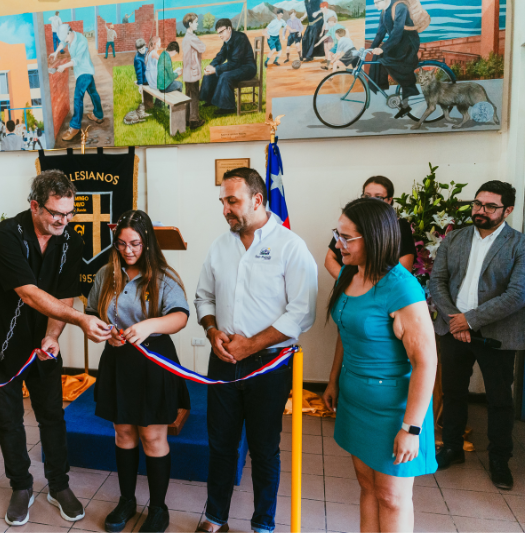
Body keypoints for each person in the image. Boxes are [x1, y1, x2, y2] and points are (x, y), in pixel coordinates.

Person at [0, 171, 112, 527]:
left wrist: (54, 335)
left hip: (42, 344)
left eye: (69, 215)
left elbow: (64, 292)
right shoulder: (6, 235)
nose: (63, 222)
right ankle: (21, 486)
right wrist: (81, 321)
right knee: (9, 420)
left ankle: (59, 485)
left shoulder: (71, 240)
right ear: (35, 205)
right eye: (56, 214)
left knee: (52, 415)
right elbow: (29, 293)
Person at [194, 167, 318, 533]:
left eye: (232, 201)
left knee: (264, 449)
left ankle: (263, 523)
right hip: (224, 361)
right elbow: (204, 297)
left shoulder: (290, 247)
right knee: (220, 445)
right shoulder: (220, 246)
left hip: (269, 366)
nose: (225, 210)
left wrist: (252, 344)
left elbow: (303, 312)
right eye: (223, 202)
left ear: (258, 200)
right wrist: (212, 330)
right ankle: (215, 517)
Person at [321, 198, 438, 532]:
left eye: (347, 238)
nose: (338, 244)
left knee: (392, 497)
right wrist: (332, 381)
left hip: (394, 411)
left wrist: (411, 428)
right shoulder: (348, 274)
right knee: (368, 487)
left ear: (374, 238)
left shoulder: (401, 288)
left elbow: (425, 362)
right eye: (337, 234)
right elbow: (347, 331)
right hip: (356, 400)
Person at [86, 210, 190, 533]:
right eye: (121, 244)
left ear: (147, 243)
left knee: (152, 434)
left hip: (154, 362)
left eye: (135, 244)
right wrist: (103, 332)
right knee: (124, 433)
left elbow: (180, 317)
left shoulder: (163, 277)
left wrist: (148, 326)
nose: (128, 250)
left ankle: (158, 508)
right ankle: (127, 500)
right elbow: (90, 314)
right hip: (118, 361)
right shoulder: (106, 275)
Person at [430, 180, 525, 491]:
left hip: (496, 335)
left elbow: (517, 295)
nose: (480, 211)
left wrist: (468, 321)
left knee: (500, 401)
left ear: (507, 210)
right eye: (477, 204)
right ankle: (452, 448)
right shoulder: (454, 238)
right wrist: (454, 320)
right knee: (454, 392)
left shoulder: (519, 245)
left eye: (490, 206)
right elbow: (437, 283)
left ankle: (500, 459)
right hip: (452, 331)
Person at [324, 176, 415, 279]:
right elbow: (329, 258)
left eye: (378, 197)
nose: (372, 201)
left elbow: (404, 270)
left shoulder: (400, 226)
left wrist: (370, 290)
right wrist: (349, 283)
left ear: (389, 200)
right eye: (367, 196)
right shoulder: (353, 220)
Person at [51, 24, 104, 142]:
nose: (64, 41)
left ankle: (74, 127)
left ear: (69, 33)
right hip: (85, 72)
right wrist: (56, 52)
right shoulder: (69, 36)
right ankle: (99, 116)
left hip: (84, 73)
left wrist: (63, 66)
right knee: (93, 93)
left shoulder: (82, 41)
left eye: (65, 38)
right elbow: (63, 43)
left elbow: (76, 61)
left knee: (77, 98)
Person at [370, 0, 420, 118]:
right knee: (378, 57)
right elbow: (380, 32)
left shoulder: (400, 7)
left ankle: (407, 96)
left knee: (396, 64)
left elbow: (397, 32)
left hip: (408, 43)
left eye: (377, 2)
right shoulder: (383, 12)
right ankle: (382, 87)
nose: (375, 6)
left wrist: (383, 48)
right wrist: (370, 48)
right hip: (397, 43)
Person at [199, 19, 257, 116]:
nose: (220, 35)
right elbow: (221, 56)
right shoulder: (227, 40)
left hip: (247, 68)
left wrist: (216, 69)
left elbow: (235, 63)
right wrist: (211, 66)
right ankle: (209, 100)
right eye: (218, 33)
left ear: (229, 28)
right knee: (211, 73)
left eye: (221, 32)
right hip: (237, 67)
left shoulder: (240, 38)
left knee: (224, 76)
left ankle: (227, 107)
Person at [182, 13, 206, 129]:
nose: (197, 24)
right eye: (196, 22)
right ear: (190, 24)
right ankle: (194, 120)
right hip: (193, 72)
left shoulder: (185, 38)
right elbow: (202, 48)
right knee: (194, 95)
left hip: (187, 72)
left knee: (188, 95)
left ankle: (186, 119)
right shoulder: (192, 38)